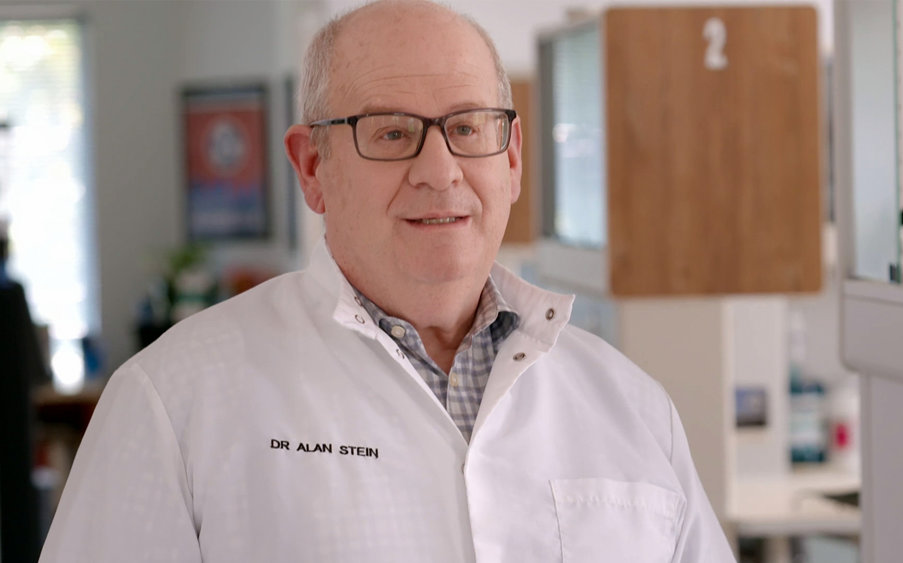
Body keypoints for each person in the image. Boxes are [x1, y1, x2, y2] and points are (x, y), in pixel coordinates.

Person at [40, 1, 735, 561]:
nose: (440, 171)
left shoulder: (634, 406)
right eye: (392, 133)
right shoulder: (171, 403)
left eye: (468, 128)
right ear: (313, 167)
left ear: (512, 159)